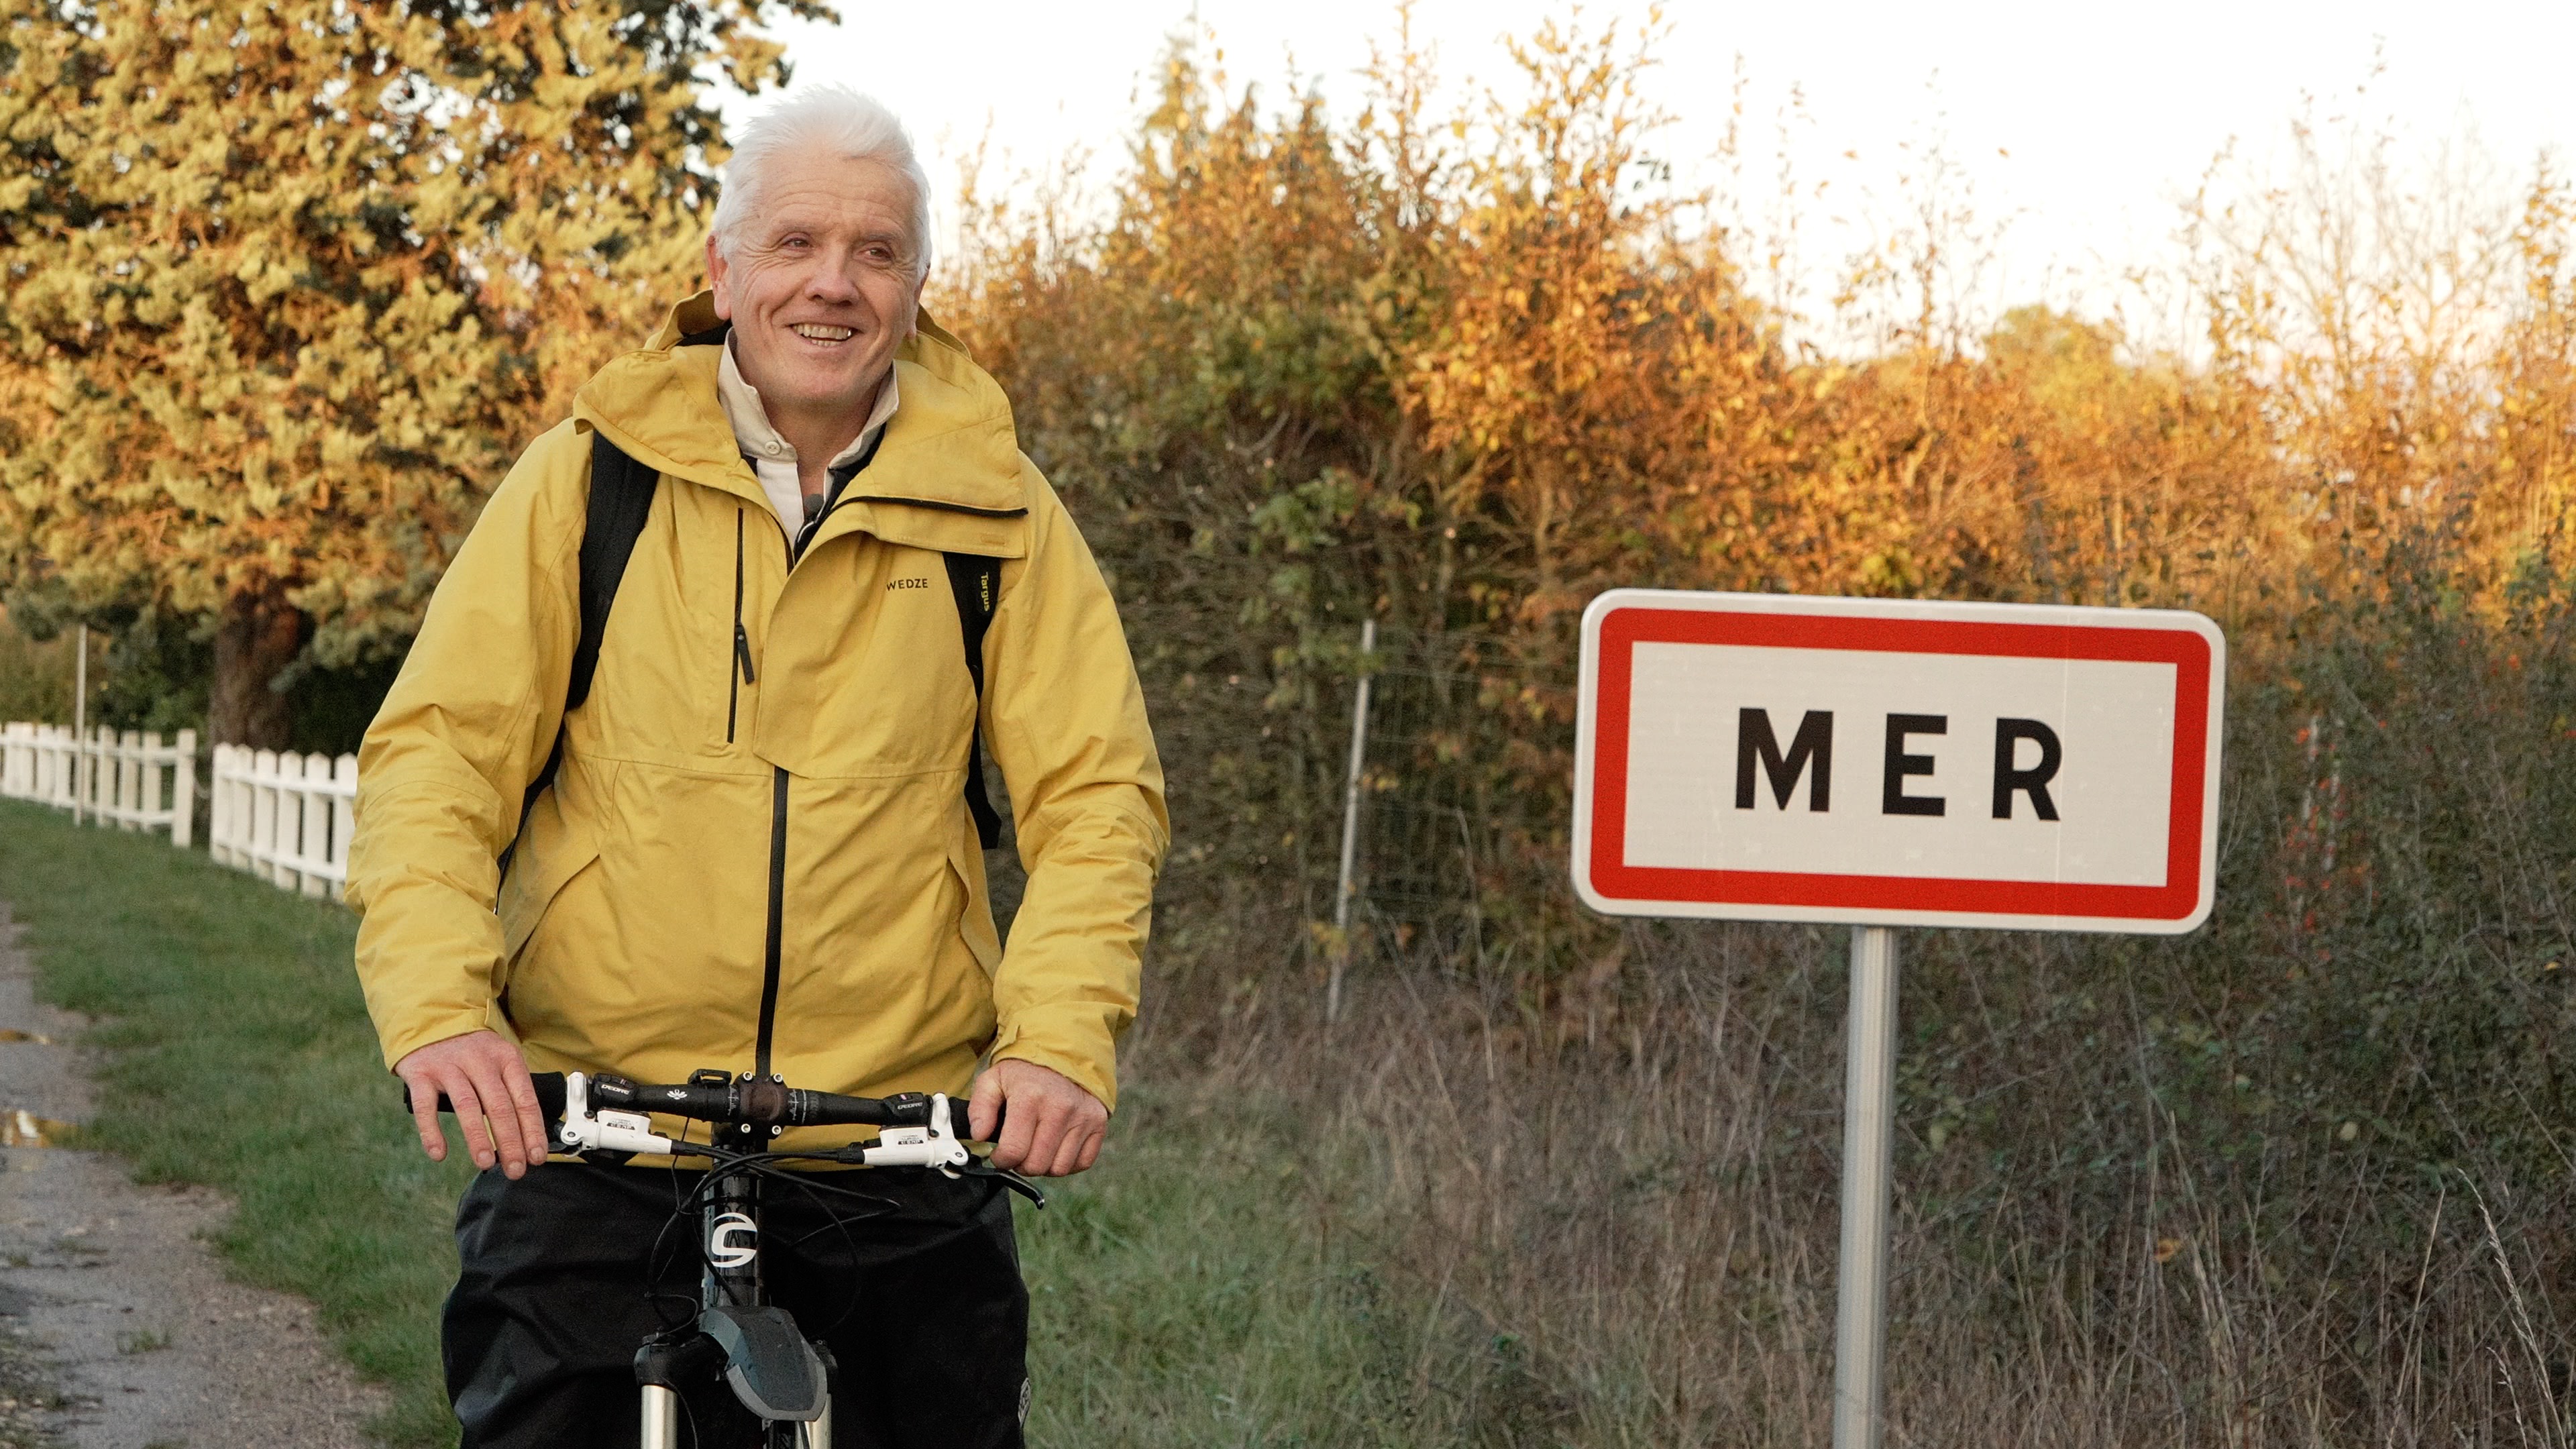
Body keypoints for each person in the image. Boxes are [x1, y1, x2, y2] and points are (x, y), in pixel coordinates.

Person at [345, 86, 1167, 1448]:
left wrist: (1062, 1043)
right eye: (794, 244)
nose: (833, 285)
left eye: (877, 251)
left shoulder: (1002, 513)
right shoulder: (586, 480)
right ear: (722, 274)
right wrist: (440, 1006)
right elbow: (440, 758)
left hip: (893, 1141)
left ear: (917, 287)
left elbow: (1097, 796)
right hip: (601, 1136)